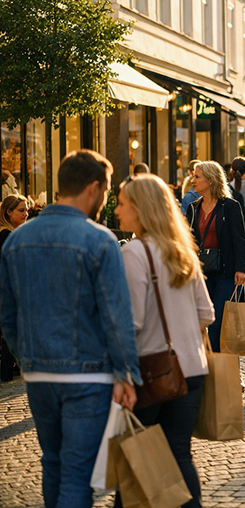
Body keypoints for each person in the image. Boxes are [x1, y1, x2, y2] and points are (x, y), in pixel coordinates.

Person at [0, 150, 140, 508]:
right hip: (87, 375)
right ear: (94, 188)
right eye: (107, 190)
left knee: (53, 464)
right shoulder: (100, 240)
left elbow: (8, 314)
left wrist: (25, 356)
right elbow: (115, 314)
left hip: (38, 374)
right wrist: (126, 373)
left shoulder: (16, 240)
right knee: (77, 473)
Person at [116, 174, 214, 508]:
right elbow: (206, 313)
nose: (117, 211)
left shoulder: (134, 253)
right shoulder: (183, 250)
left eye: (122, 203)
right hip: (192, 367)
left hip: (152, 368)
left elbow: (131, 324)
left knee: (135, 458)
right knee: (179, 454)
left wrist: (120, 376)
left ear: (140, 210)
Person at [186, 162, 245, 352]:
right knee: (201, 320)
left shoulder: (230, 206)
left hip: (225, 272)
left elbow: (239, 239)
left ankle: (217, 366)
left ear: (210, 180)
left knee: (216, 321)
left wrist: (241, 269)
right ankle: (212, 364)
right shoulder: (193, 208)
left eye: (197, 177)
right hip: (202, 273)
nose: (192, 180)